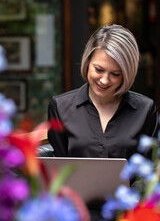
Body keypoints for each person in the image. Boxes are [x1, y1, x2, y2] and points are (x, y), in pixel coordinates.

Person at [48, 24, 159, 159]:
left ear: (126, 74)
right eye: (99, 70)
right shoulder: (60, 107)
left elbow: (149, 170)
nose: (104, 80)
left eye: (115, 74)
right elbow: (58, 168)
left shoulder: (145, 110)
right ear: (87, 63)